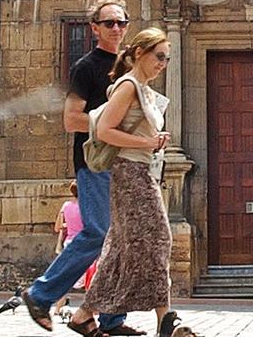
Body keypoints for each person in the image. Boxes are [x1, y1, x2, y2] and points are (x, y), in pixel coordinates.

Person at [22, 0, 140, 336]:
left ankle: (112, 319)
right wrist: (108, 121)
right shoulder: (86, 67)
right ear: (94, 28)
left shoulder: (128, 67)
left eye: (121, 22)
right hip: (94, 161)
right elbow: (71, 119)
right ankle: (41, 294)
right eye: (109, 23)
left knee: (123, 240)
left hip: (124, 163)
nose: (116, 28)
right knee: (98, 232)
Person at [70, 28, 173, 337]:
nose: (163, 63)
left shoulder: (143, 89)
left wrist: (153, 142)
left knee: (122, 248)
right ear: (139, 53)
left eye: (167, 58)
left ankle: (83, 313)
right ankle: (166, 320)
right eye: (159, 56)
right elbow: (103, 130)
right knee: (159, 239)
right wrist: (149, 143)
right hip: (130, 174)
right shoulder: (128, 86)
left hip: (141, 172)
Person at [51, 182, 83, 317]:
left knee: (66, 278)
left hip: (69, 244)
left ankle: (58, 308)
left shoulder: (66, 206)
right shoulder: (87, 207)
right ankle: (91, 309)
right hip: (83, 244)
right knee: (89, 279)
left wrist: (67, 224)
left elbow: (57, 227)